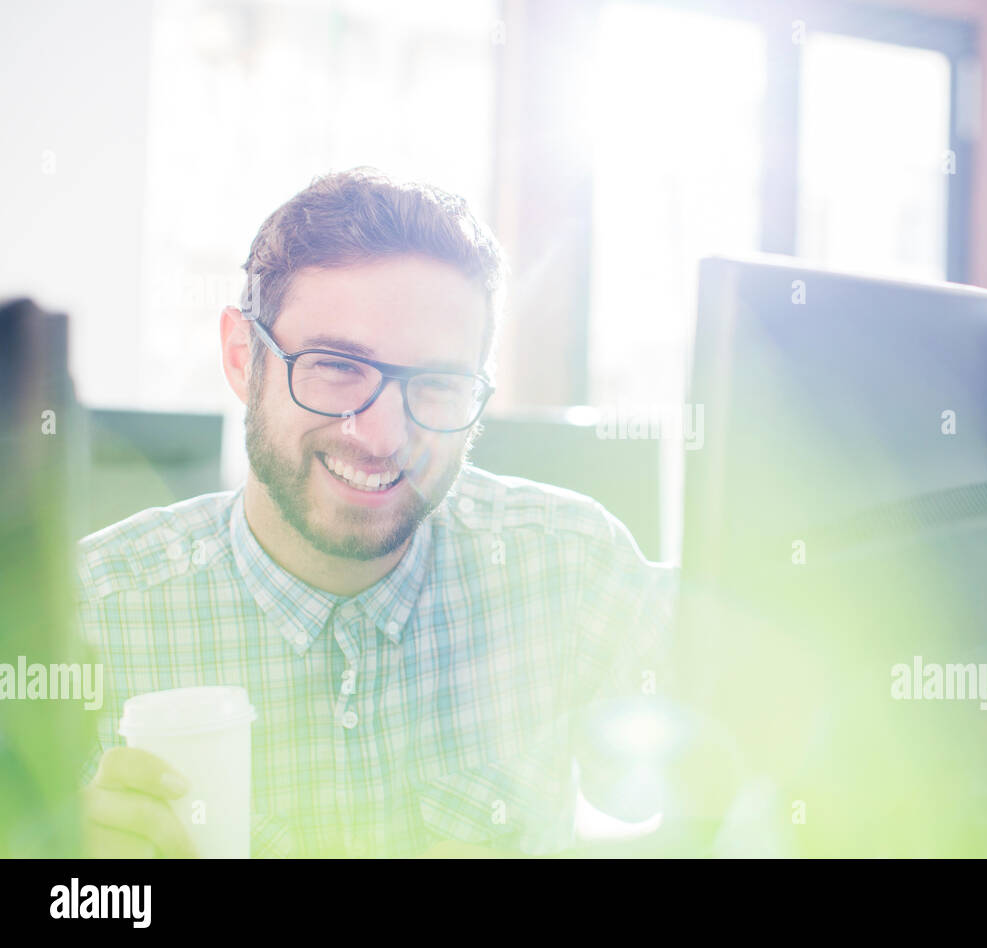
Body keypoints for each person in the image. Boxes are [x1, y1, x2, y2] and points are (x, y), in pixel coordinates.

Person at [77, 168, 673, 857]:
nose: (384, 435)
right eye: (335, 366)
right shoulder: (87, 612)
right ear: (244, 359)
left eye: (441, 383)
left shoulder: (571, 564)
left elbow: (704, 777)